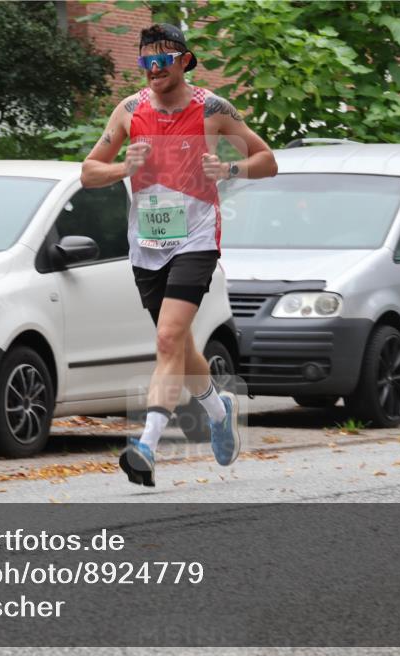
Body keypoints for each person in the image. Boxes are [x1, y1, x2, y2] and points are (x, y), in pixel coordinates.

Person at [81, 23, 277, 487]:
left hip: (196, 239)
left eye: (161, 60)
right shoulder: (130, 110)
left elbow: (267, 160)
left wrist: (229, 166)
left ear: (183, 61)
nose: (152, 69)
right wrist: (120, 168)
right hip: (146, 244)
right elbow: (89, 172)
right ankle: (219, 407)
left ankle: (146, 445)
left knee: (168, 340)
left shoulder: (212, 110)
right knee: (182, 347)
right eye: (145, 61)